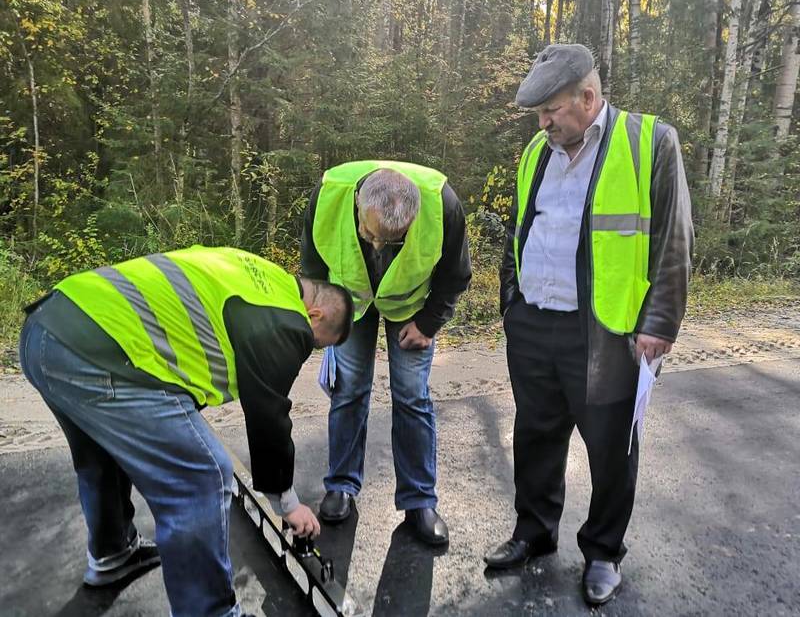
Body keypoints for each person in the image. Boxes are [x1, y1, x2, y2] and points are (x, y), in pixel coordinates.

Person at [18, 245, 353, 617]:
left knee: (100, 452)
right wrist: (287, 503)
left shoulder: (261, 274)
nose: (309, 348)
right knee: (202, 474)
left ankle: (113, 552)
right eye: (318, 342)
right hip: (102, 351)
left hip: (48, 329)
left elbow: (188, 332)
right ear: (315, 314)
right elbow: (268, 412)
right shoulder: (288, 320)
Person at [484, 44, 693, 606]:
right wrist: (512, 301)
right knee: (535, 436)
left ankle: (602, 552)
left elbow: (674, 241)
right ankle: (533, 533)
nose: (543, 122)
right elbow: (518, 228)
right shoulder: (538, 149)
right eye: (538, 113)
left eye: (551, 109)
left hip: (606, 332)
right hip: (533, 325)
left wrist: (660, 323)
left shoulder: (650, 142)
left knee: (610, 448)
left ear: (589, 97)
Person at [300, 160, 471, 546]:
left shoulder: (442, 203)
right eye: (370, 234)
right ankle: (341, 484)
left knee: (412, 396)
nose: (377, 246)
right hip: (349, 302)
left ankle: (419, 500)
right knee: (349, 391)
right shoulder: (328, 194)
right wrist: (323, 315)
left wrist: (428, 323)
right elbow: (312, 265)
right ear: (358, 202)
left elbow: (455, 275)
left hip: (411, 308)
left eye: (390, 241)